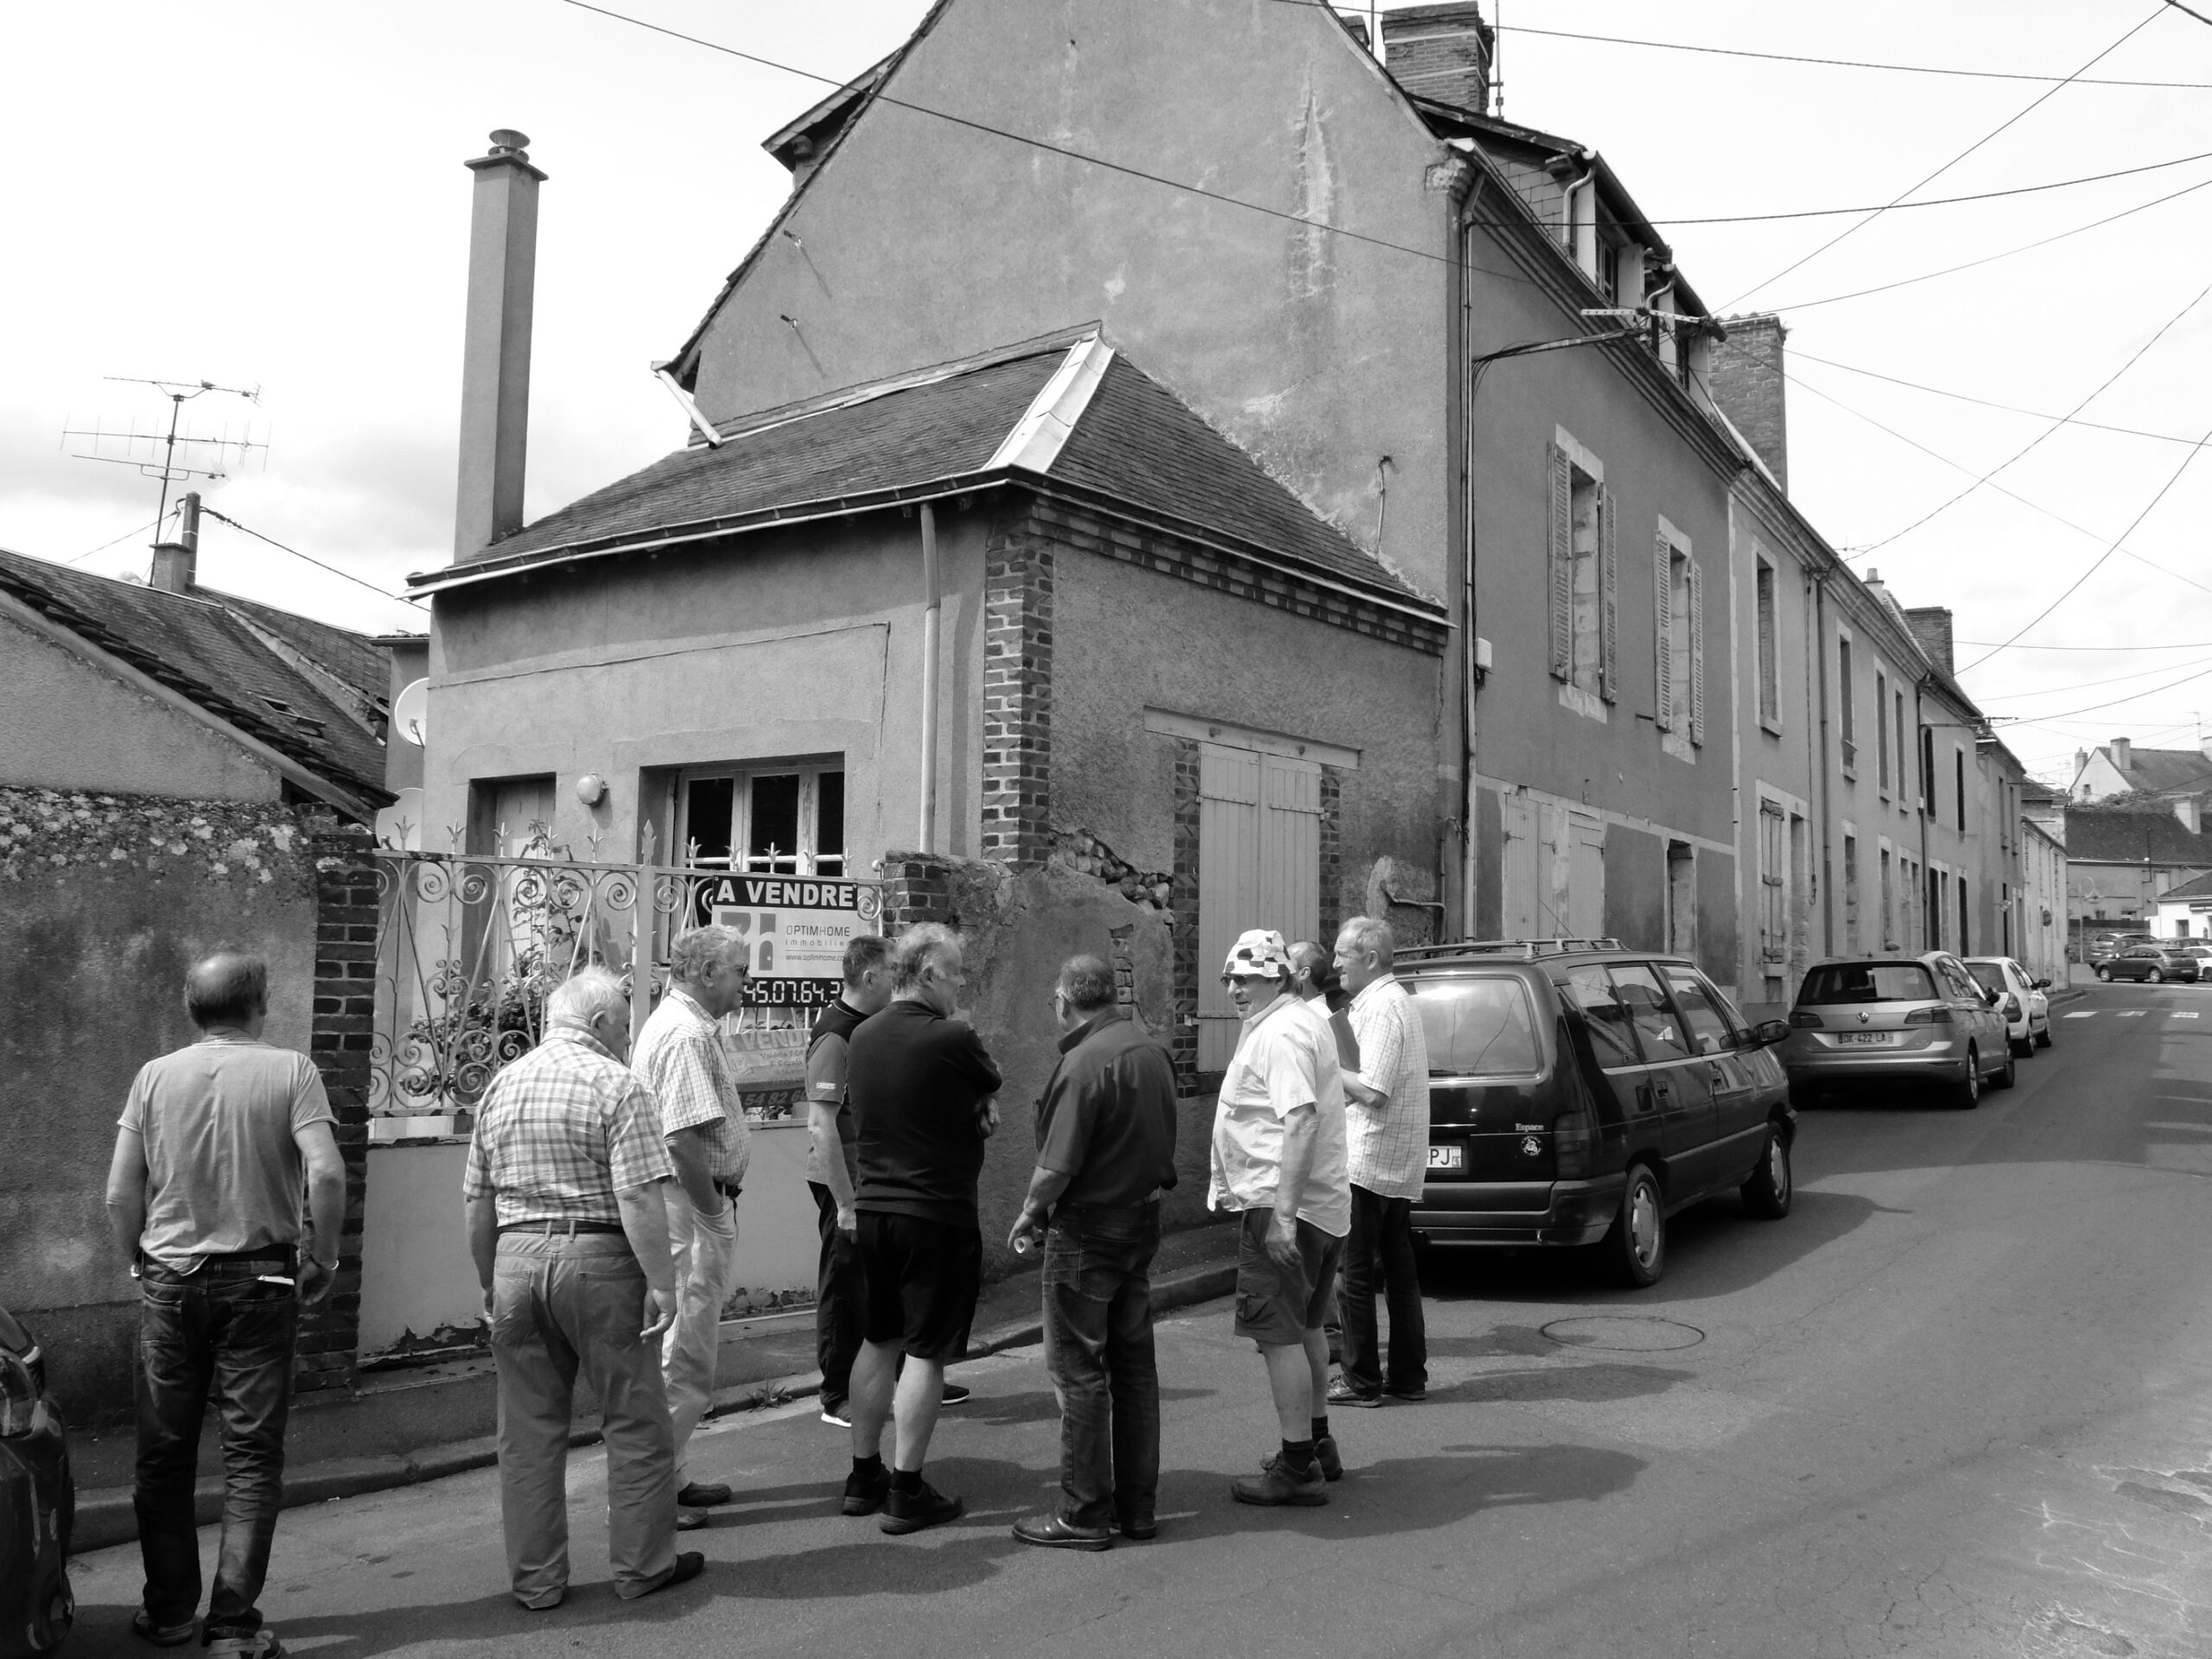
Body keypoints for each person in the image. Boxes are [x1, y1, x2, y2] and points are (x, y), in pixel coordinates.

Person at [105, 950, 346, 1656]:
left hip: (170, 1279)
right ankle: (233, 1626)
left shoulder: (154, 1078)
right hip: (262, 1281)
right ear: (258, 1005)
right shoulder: (291, 1071)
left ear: (191, 1007)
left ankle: (171, 1610)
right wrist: (323, 1256)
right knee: (250, 1456)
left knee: (163, 1453)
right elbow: (326, 1172)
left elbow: (121, 1194)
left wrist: (135, 1257)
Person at [461, 966, 703, 1608]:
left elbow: (477, 1201)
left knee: (528, 1431)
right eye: (624, 1026)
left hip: (515, 1255)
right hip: (598, 1260)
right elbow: (637, 1195)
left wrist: (489, 1279)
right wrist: (664, 1283)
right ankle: (643, 1566)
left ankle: (537, 1583)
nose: (628, 1039)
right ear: (598, 1024)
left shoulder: (501, 1087)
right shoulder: (617, 1085)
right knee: (635, 1421)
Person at [1006, 956, 1179, 1550]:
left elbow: (1055, 1167)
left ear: (1064, 999)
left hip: (1089, 1226)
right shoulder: (1150, 1049)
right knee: (1133, 1368)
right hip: (1141, 1217)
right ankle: (1136, 1508)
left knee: (1080, 1373)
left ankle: (1083, 1513)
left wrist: (1029, 1214)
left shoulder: (1082, 1065)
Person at [842, 923, 1001, 1535]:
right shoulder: (953, 1036)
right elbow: (991, 1082)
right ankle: (906, 1489)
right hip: (934, 1213)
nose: (963, 984)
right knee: (927, 1353)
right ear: (929, 974)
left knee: (878, 1339)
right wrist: (978, 1106)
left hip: (874, 1209)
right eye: (957, 972)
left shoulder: (863, 1034)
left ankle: (864, 1476)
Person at [1208, 929, 1352, 1507]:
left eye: (1247, 977)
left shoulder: (1284, 1032)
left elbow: (1300, 1120)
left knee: (1278, 1338)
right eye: (1230, 978)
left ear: (1279, 977)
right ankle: (1316, 1444)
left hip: (1286, 1205)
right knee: (1308, 1327)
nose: (1235, 988)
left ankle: (1297, 1467)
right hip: (1319, 1203)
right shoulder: (1293, 1021)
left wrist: (1284, 1219)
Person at [804, 935, 972, 1425]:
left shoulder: (873, 1029)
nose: (902, 980)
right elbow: (821, 1124)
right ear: (871, 978)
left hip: (876, 1182)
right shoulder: (837, 1032)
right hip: (845, 1182)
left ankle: (911, 1379)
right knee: (845, 1288)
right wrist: (845, 1201)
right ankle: (838, 1395)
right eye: (893, 971)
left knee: (887, 1292)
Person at [630, 925, 751, 1520]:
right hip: (687, 1206)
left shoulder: (687, 1027)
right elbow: (680, 1138)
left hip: (686, 1204)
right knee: (683, 1356)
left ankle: (669, 1476)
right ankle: (653, 1495)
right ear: (708, 974)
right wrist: (712, 1214)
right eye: (739, 972)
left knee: (687, 1352)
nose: (745, 985)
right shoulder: (682, 1034)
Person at [1326, 917, 1433, 1408]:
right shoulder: (1386, 1001)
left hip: (1371, 1161)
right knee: (1398, 1272)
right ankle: (1407, 1377)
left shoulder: (1384, 1005)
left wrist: (1326, 1064)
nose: (1334, 964)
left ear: (1370, 958)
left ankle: (1361, 1379)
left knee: (1356, 1273)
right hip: (1389, 1161)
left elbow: (1372, 1090)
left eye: (1341, 955)